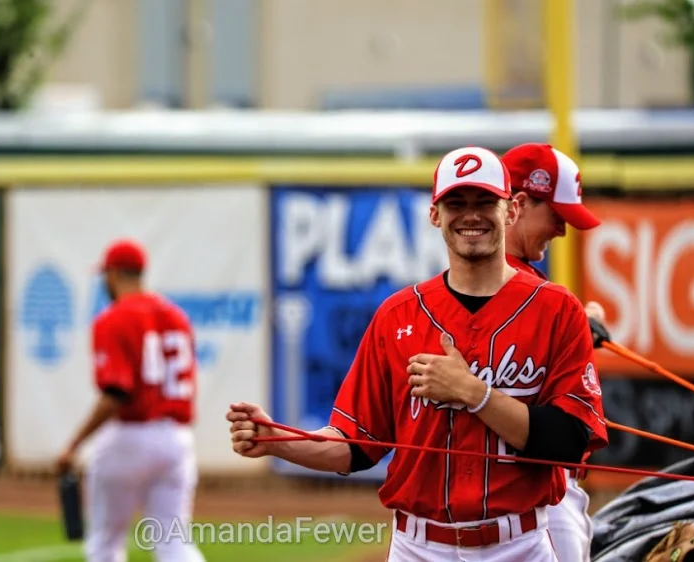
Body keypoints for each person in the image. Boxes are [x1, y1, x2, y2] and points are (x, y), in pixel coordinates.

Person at [227, 146, 609, 561]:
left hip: (518, 545)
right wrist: (281, 442)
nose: (471, 215)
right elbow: (356, 445)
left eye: (485, 202)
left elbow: (571, 441)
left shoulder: (557, 309)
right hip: (420, 548)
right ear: (434, 215)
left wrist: (475, 394)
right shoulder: (398, 315)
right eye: (456, 203)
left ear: (511, 211)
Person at [57, 239, 205, 562]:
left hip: (129, 436)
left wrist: (74, 444)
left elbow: (116, 394)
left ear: (112, 274)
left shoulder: (113, 319)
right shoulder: (177, 317)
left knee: (105, 543)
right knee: (173, 543)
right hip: (176, 439)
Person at [501, 142, 607, 561]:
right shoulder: (495, 286)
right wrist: (580, 321)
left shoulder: (534, 290)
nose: (562, 230)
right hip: (536, 495)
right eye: (556, 216)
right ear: (520, 204)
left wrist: (579, 321)